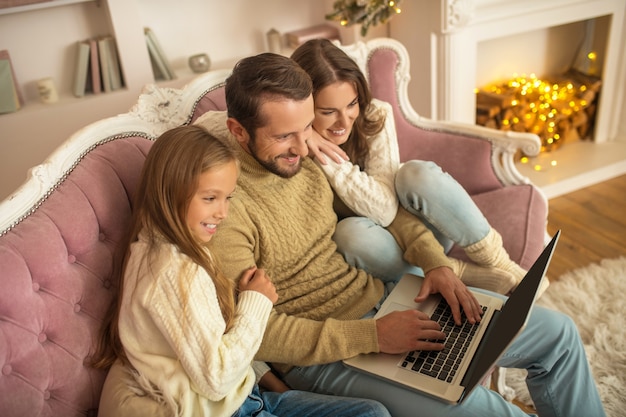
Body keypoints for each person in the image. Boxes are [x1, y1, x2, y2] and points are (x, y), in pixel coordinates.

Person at [194, 51, 605, 417]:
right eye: (284, 136)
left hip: (387, 302)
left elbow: (391, 217)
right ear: (238, 131)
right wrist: (373, 335)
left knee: (559, 336)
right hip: (323, 357)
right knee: (483, 409)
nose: (302, 148)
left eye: (306, 129)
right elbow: (251, 332)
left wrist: (437, 264)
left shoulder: (306, 161)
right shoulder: (222, 206)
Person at [92, 125, 391, 417]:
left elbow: (211, 340)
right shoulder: (175, 273)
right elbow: (216, 379)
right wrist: (256, 301)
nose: (223, 213)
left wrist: (273, 386)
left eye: (228, 197)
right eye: (210, 198)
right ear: (169, 193)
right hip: (226, 408)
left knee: (372, 412)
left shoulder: (155, 245)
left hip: (250, 397)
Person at [291, 38, 544, 296]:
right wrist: (307, 136)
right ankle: (452, 271)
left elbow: (386, 208)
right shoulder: (292, 147)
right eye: (328, 111)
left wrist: (327, 153)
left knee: (414, 173)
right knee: (349, 235)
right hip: (381, 249)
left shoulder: (375, 115)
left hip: (429, 230)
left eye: (351, 104)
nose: (344, 121)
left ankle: (501, 263)